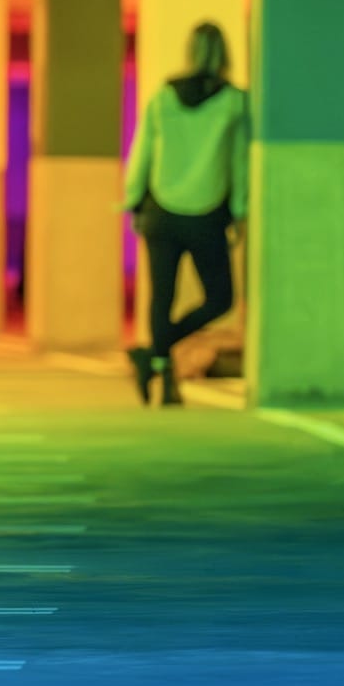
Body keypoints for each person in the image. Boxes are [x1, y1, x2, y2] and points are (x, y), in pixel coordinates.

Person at [122, 22, 248, 408]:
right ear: (225, 54)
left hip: (161, 210)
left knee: (163, 295)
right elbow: (239, 162)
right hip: (207, 214)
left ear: (190, 52)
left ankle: (157, 361)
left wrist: (132, 200)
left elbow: (141, 152)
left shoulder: (163, 98)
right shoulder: (234, 103)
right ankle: (158, 359)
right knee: (220, 298)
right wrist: (240, 210)